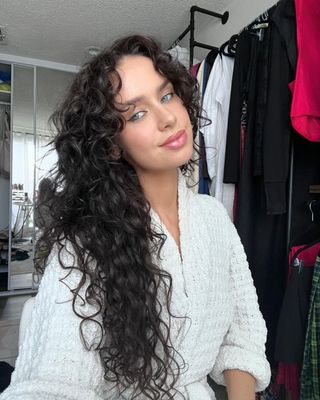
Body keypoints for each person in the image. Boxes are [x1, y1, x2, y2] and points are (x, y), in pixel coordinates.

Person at [0, 35, 270, 400]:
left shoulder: (214, 218)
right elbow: (50, 386)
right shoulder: (83, 244)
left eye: (166, 95)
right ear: (112, 143)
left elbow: (243, 333)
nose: (167, 118)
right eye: (137, 113)